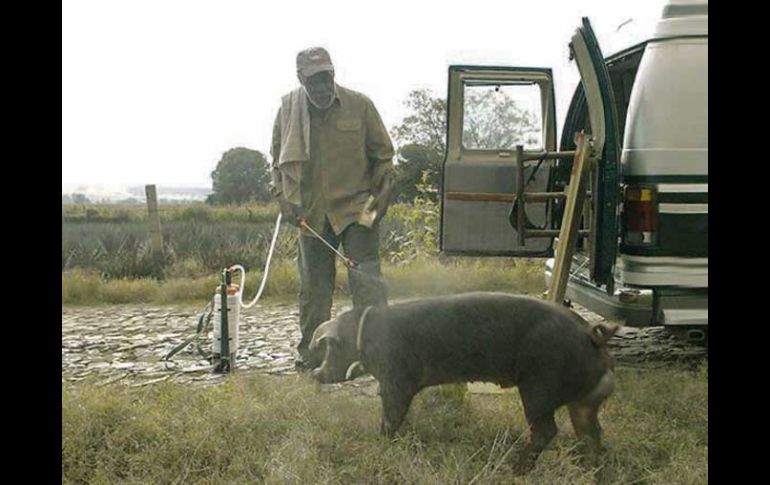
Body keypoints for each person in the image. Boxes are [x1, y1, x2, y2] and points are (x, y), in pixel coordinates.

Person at [269, 47, 395, 370]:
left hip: (358, 209)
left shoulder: (360, 105)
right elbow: (276, 164)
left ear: (334, 73)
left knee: (367, 282)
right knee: (313, 290)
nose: (322, 87)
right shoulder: (287, 110)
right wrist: (282, 196)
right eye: (314, 81)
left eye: (327, 77)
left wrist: (382, 194)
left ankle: (375, 353)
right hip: (310, 214)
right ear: (301, 79)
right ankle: (315, 355)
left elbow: (383, 157)